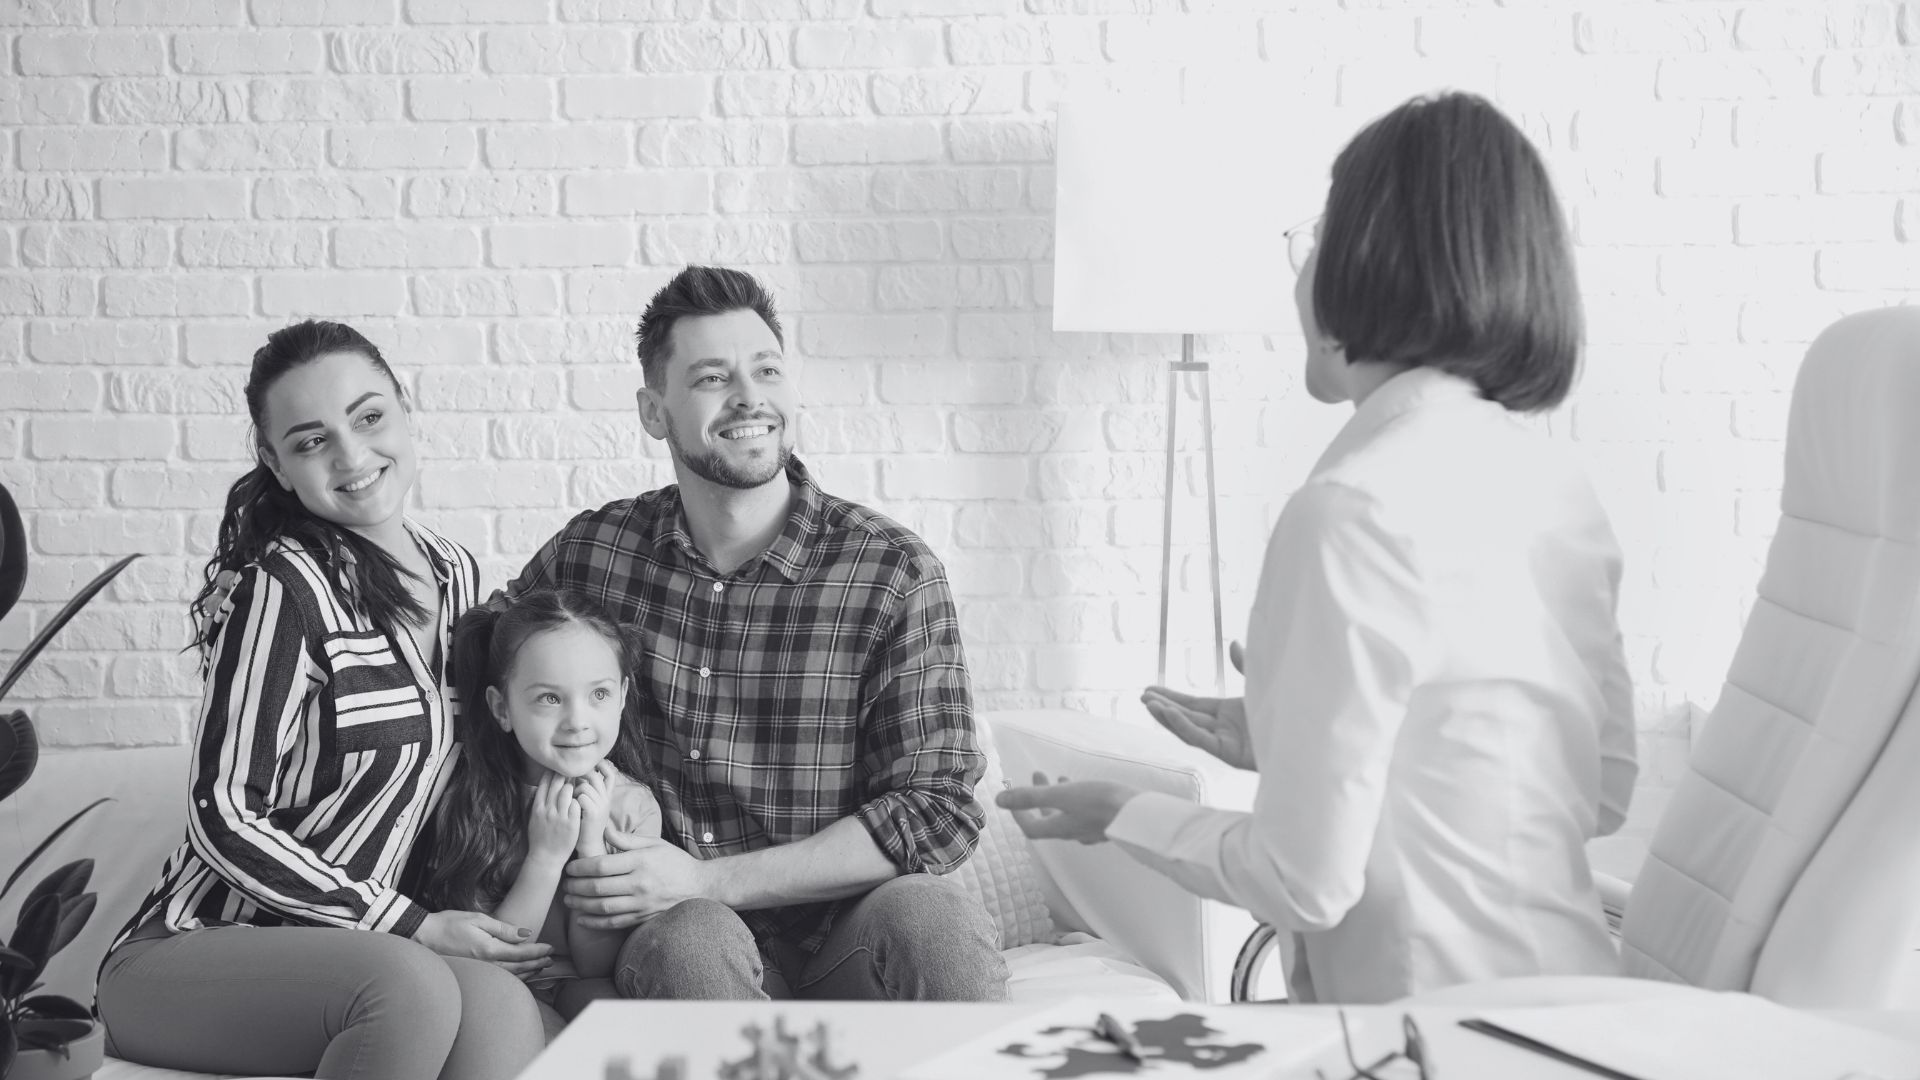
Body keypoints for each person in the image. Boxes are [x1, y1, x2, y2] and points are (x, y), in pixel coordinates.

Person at [999, 91, 1638, 1005]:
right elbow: (1599, 791)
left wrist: (1123, 816)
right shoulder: (1558, 489)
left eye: (1318, 236)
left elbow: (1303, 881)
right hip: (1580, 1012)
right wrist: (1299, 745)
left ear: (1373, 261)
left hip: (1419, 1033)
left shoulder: (1347, 511)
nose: (1300, 273)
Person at [503, 264, 1009, 1003]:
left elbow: (935, 810)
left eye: (766, 369)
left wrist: (712, 877)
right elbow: (480, 677)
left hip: (848, 932)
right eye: (712, 377)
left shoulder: (890, 572)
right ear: (654, 411)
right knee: (692, 937)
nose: (749, 397)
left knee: (932, 918)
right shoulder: (592, 556)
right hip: (677, 933)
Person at [96, 320, 550, 1079]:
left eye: (369, 417)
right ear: (277, 463)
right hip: (197, 950)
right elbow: (223, 813)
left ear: (405, 411)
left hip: (370, 954)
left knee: (501, 1007)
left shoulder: (459, 574)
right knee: (408, 988)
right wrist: (408, 923)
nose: (351, 455)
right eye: (311, 441)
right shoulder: (285, 587)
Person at [426, 586, 664, 1023]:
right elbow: (496, 961)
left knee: (605, 1011)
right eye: (550, 698)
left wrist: (591, 850)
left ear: (623, 696)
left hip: (593, 988)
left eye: (599, 695)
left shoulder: (633, 808)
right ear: (503, 708)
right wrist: (546, 857)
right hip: (498, 995)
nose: (577, 721)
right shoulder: (474, 798)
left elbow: (596, 967)